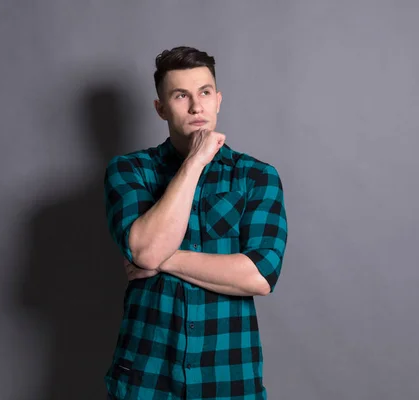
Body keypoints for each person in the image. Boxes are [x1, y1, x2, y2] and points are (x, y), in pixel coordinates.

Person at [103, 46, 288, 400]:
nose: (196, 106)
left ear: (218, 100)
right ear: (160, 108)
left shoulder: (256, 176)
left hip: (228, 377)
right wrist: (195, 162)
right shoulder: (129, 171)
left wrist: (161, 259)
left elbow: (260, 275)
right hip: (146, 378)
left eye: (204, 93)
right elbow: (145, 248)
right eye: (180, 96)